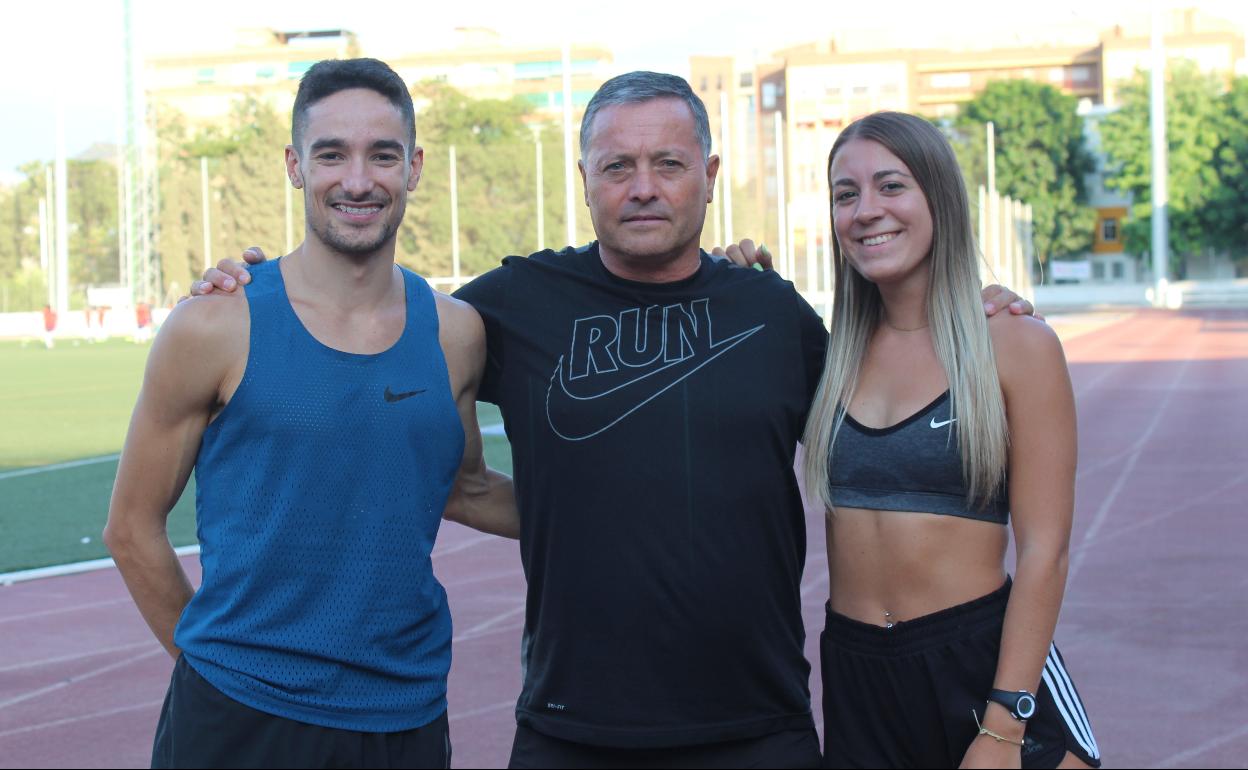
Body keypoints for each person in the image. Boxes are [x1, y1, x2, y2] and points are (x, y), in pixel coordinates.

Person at [195, 71, 1035, 769]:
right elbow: (368, 334)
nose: (642, 188)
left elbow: (874, 430)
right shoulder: (510, 306)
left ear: (709, 175)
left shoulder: (774, 312)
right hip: (571, 727)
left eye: (667, 164)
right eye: (617, 166)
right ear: (585, 179)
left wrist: (971, 301)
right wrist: (259, 279)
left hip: (760, 724)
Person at [104, 58, 518, 770]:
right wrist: (217, 670)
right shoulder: (215, 323)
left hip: (406, 715)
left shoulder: (456, 333)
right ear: (295, 166)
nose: (357, 180)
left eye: (382, 155)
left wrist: (619, 508)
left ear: (413, 167)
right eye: (331, 154)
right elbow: (130, 529)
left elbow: (461, 486)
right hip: (239, 720)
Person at [803, 111, 1099, 768]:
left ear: (939, 197)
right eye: (845, 195)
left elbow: (1045, 551)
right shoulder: (828, 357)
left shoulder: (1016, 344)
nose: (866, 211)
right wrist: (741, 265)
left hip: (982, 669)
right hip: (858, 675)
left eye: (891, 186)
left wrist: (1003, 726)